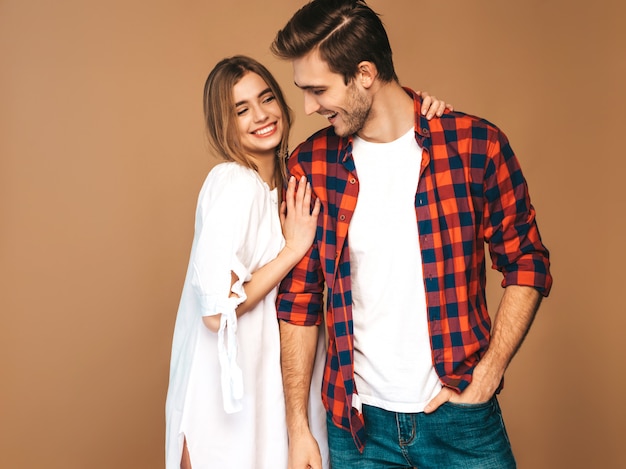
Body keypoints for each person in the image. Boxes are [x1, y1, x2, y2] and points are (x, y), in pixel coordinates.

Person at [270, 1, 553, 468]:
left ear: (364, 73)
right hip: (357, 428)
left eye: (318, 90)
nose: (307, 107)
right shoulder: (312, 165)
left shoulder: (473, 145)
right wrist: (298, 428)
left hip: (461, 419)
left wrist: (490, 371)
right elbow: (300, 300)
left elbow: (527, 260)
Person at [164, 54, 450, 468]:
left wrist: (417, 108)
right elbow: (215, 309)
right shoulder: (231, 183)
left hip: (262, 395)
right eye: (241, 110)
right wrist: (292, 252)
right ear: (222, 123)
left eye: (266, 99)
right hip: (223, 404)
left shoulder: (288, 183)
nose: (261, 115)